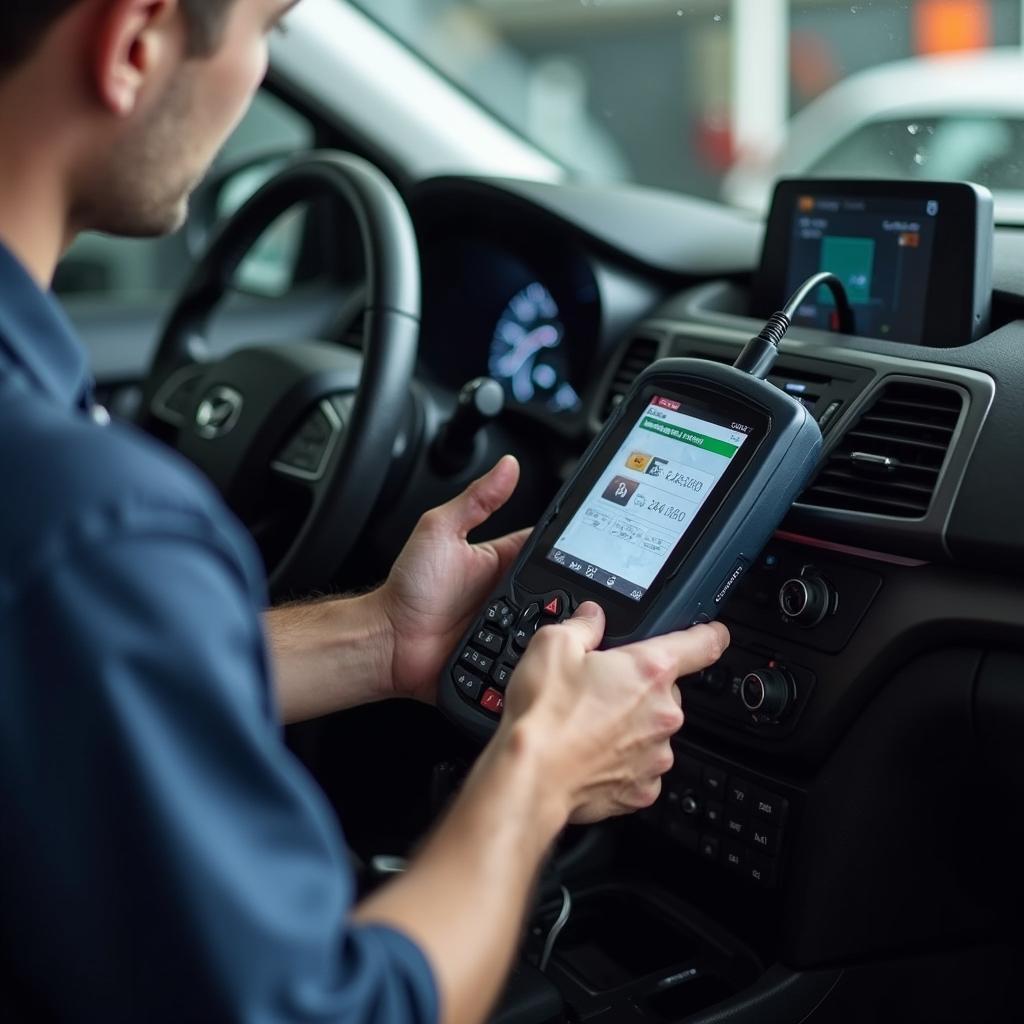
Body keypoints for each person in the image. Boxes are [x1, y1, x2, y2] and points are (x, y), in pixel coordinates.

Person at [0, 2, 730, 1021]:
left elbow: (50, 673)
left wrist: (382, 637)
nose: (256, 71)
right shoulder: (94, 523)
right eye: (271, 31)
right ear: (135, 43)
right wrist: (537, 773)